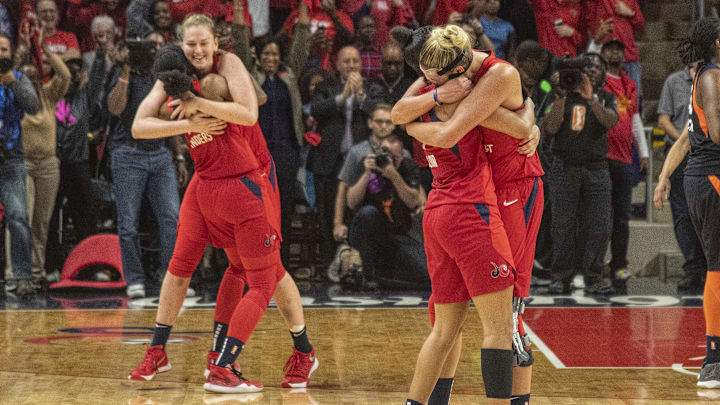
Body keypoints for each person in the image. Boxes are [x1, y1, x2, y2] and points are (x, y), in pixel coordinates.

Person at [128, 15, 318, 392]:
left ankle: (300, 349)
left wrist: (200, 103)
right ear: (180, 44)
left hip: (252, 173)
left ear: (216, 43)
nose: (197, 51)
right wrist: (187, 124)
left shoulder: (226, 66)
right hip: (210, 179)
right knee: (191, 266)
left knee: (267, 270)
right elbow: (139, 126)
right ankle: (166, 351)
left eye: (203, 43)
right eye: (190, 44)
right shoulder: (173, 70)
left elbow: (250, 110)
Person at [391, 25, 538, 405]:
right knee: (487, 322)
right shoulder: (442, 87)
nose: (428, 80)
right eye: (425, 75)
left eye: (432, 75)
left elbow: (520, 126)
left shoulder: (492, 76)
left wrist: (418, 117)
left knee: (498, 315)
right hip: (474, 205)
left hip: (508, 189)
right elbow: (514, 124)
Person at [654, 17, 720, 389]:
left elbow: (686, 139)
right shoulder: (711, 77)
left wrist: (664, 177)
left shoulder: (703, 76)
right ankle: (713, 360)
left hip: (700, 176)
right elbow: (717, 130)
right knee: (717, 267)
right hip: (712, 177)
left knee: (717, 266)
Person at [106, 32, 185, 299]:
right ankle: (135, 279)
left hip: (161, 153)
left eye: (150, 49)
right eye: (138, 49)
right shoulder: (120, 72)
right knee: (128, 223)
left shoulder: (162, 78)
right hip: (128, 154)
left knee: (172, 217)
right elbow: (115, 108)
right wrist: (126, 69)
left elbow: (170, 115)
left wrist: (179, 156)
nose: (145, 54)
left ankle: (170, 276)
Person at [543, 52, 619, 295]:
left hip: (596, 169)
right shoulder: (562, 94)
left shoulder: (606, 97)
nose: (593, 71)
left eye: (598, 67)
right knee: (562, 225)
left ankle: (594, 276)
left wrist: (592, 100)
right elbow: (551, 127)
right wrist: (562, 100)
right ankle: (560, 277)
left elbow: (610, 122)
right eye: (588, 67)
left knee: (599, 226)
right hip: (564, 168)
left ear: (603, 73)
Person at [336, 103, 428, 288]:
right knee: (368, 213)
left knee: (427, 275)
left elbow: (416, 198)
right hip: (368, 227)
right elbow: (347, 195)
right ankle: (367, 272)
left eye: (388, 122)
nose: (383, 126)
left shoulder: (405, 157)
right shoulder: (358, 152)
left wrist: (393, 174)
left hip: (399, 230)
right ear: (370, 123)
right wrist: (367, 173)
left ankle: (386, 274)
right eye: (379, 121)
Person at [17, 29, 70, 285]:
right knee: (22, 219)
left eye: (32, 78)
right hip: (22, 165)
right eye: (23, 79)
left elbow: (66, 75)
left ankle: (36, 272)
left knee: (41, 222)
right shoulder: (12, 100)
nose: (28, 83)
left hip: (49, 165)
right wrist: (18, 55)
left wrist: (45, 50)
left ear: (39, 80)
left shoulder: (48, 96)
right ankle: (18, 274)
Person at [657, 61, 707, 292]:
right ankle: (692, 267)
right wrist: (683, 142)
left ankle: (709, 267)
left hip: (708, 155)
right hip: (681, 152)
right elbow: (663, 119)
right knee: (682, 214)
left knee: (707, 213)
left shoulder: (713, 79)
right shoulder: (674, 82)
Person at [0, 30, 40, 297]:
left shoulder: (19, 78)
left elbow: (34, 106)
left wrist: (11, 81)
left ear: (11, 53)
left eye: (3, 49)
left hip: (11, 157)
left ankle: (24, 277)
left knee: (18, 217)